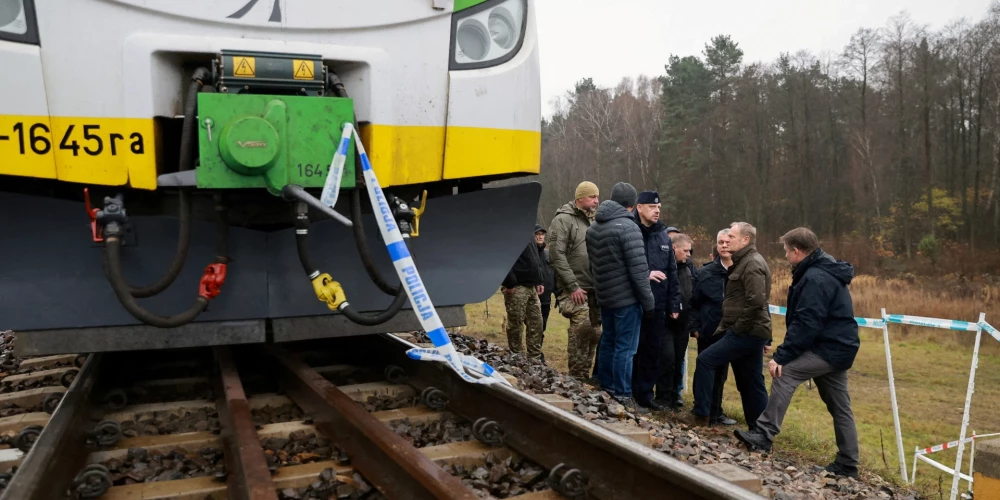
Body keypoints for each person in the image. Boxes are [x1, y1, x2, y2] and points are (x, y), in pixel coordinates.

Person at [734, 227, 861, 479]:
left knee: (785, 372)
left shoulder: (815, 277)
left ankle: (763, 434)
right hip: (838, 346)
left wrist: (782, 355)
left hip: (829, 348)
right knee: (840, 407)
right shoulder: (822, 269)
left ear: (796, 251)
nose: (784, 256)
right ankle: (848, 464)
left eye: (785, 251)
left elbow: (807, 322)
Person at [690, 222, 772, 427]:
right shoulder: (743, 261)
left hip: (746, 331)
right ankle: (759, 430)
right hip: (748, 330)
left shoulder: (752, 263)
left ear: (745, 240)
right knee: (750, 381)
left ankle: (701, 416)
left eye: (732, 237)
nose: (727, 241)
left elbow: (756, 301)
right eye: (724, 239)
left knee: (706, 360)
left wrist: (736, 328)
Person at [586, 182, 655, 411]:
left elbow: (594, 266)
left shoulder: (594, 228)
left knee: (608, 342)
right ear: (633, 205)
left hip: (605, 297)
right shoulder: (628, 228)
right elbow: (638, 271)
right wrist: (648, 302)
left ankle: (605, 386)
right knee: (625, 348)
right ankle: (623, 394)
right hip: (626, 299)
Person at [631, 191, 681, 411]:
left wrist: (673, 304)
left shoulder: (663, 235)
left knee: (653, 351)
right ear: (639, 207)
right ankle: (627, 392)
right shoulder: (631, 230)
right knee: (633, 349)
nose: (657, 210)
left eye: (658, 207)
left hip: (658, 304)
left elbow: (672, 271)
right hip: (634, 301)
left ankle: (645, 395)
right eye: (652, 206)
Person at [548, 181, 602, 379]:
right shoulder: (563, 220)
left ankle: (585, 377)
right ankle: (577, 377)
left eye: (597, 197)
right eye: (592, 197)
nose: (596, 201)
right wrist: (572, 285)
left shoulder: (595, 221)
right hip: (574, 288)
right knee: (581, 330)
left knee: (595, 334)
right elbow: (556, 255)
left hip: (594, 288)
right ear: (580, 198)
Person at [688, 232, 737, 426]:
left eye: (728, 242)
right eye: (720, 243)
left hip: (733, 332)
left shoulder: (743, 270)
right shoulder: (705, 273)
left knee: (722, 375)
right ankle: (701, 412)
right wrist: (695, 328)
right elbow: (694, 303)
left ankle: (716, 412)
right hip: (709, 331)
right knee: (705, 371)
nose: (724, 246)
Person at [658, 232, 693, 409]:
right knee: (667, 359)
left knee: (678, 360)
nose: (688, 254)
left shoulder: (687, 268)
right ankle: (662, 397)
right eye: (685, 251)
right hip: (666, 322)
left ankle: (674, 396)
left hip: (683, 324)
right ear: (674, 248)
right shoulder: (663, 268)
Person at [501, 235, 545, 362]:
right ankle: (517, 358)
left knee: (537, 323)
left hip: (532, 286)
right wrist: (509, 282)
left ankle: (534, 359)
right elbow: (503, 257)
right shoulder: (511, 231)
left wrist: (539, 280)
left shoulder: (528, 231)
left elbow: (535, 258)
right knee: (516, 323)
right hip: (516, 286)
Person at [534, 224, 556, 333]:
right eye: (537, 234)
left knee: (542, 324)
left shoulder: (548, 254)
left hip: (546, 297)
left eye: (542, 234)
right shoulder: (528, 253)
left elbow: (554, 274)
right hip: (530, 294)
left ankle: (537, 348)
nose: (540, 237)